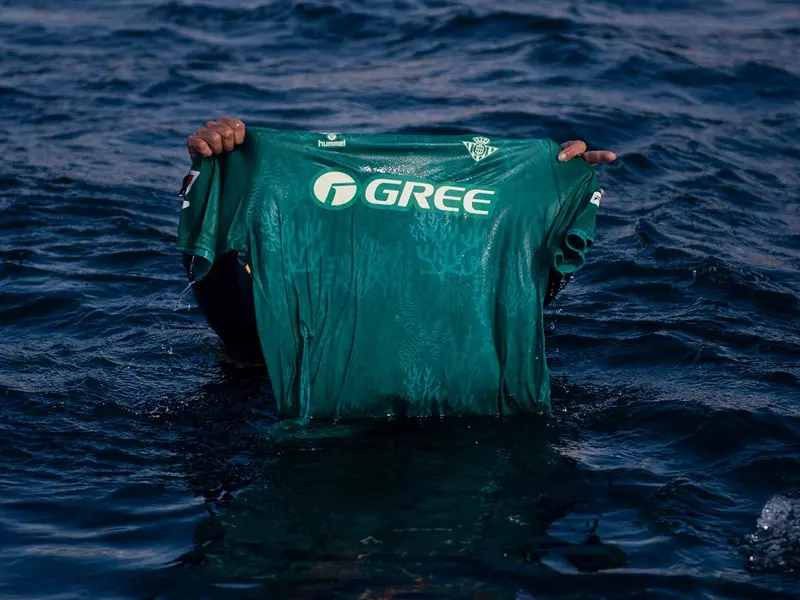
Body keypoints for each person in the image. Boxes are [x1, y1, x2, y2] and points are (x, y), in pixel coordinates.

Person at [178, 117, 617, 420]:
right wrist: (210, 183)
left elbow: (514, 290)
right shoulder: (260, 330)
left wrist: (556, 204)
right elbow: (213, 277)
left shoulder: (438, 312)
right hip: (295, 436)